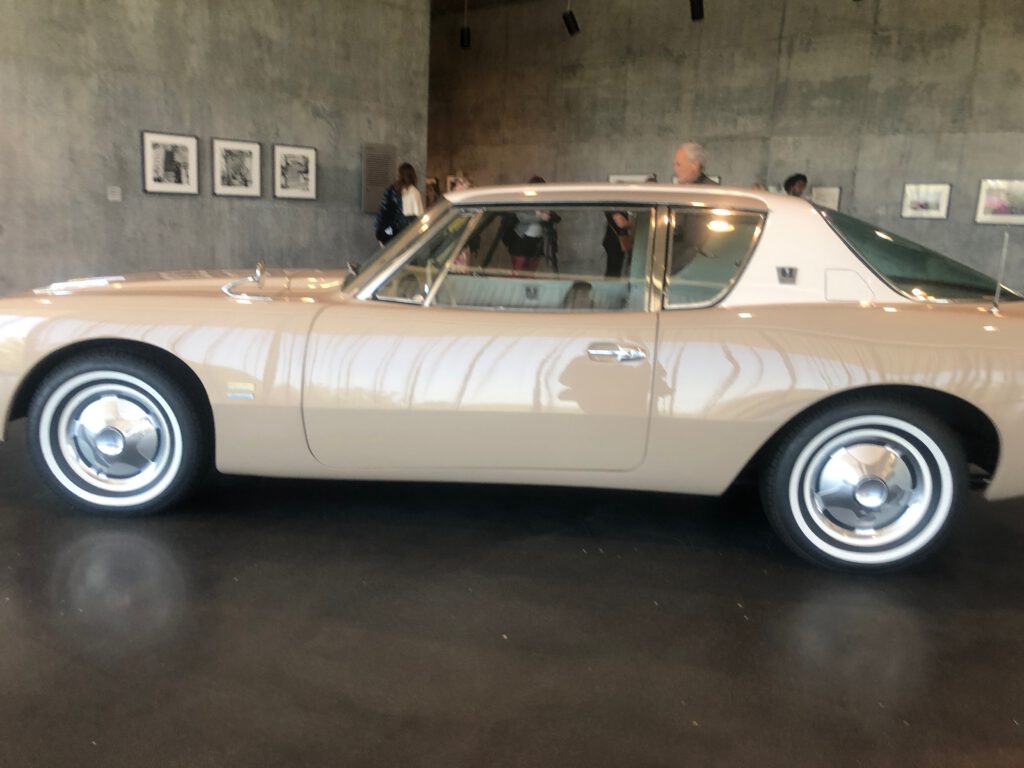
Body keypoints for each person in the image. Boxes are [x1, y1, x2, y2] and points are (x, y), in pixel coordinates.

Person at [374, 162, 423, 246]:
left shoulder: (392, 190)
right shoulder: (415, 192)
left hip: (390, 232)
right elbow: (419, 216)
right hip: (407, 235)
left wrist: (380, 232)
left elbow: (382, 210)